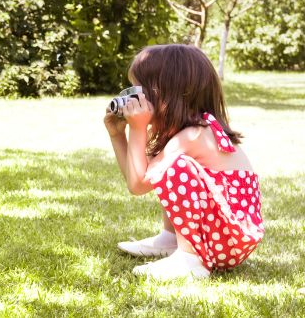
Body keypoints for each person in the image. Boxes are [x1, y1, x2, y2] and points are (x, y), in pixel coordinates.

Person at [103, 44, 264, 280]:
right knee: (166, 169)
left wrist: (137, 129)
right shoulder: (190, 132)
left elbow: (138, 185)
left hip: (229, 240)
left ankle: (191, 261)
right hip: (226, 236)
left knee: (176, 168)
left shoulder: (194, 135)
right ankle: (171, 241)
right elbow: (140, 174)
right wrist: (117, 135)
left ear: (168, 93)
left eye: (140, 90)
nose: (134, 97)